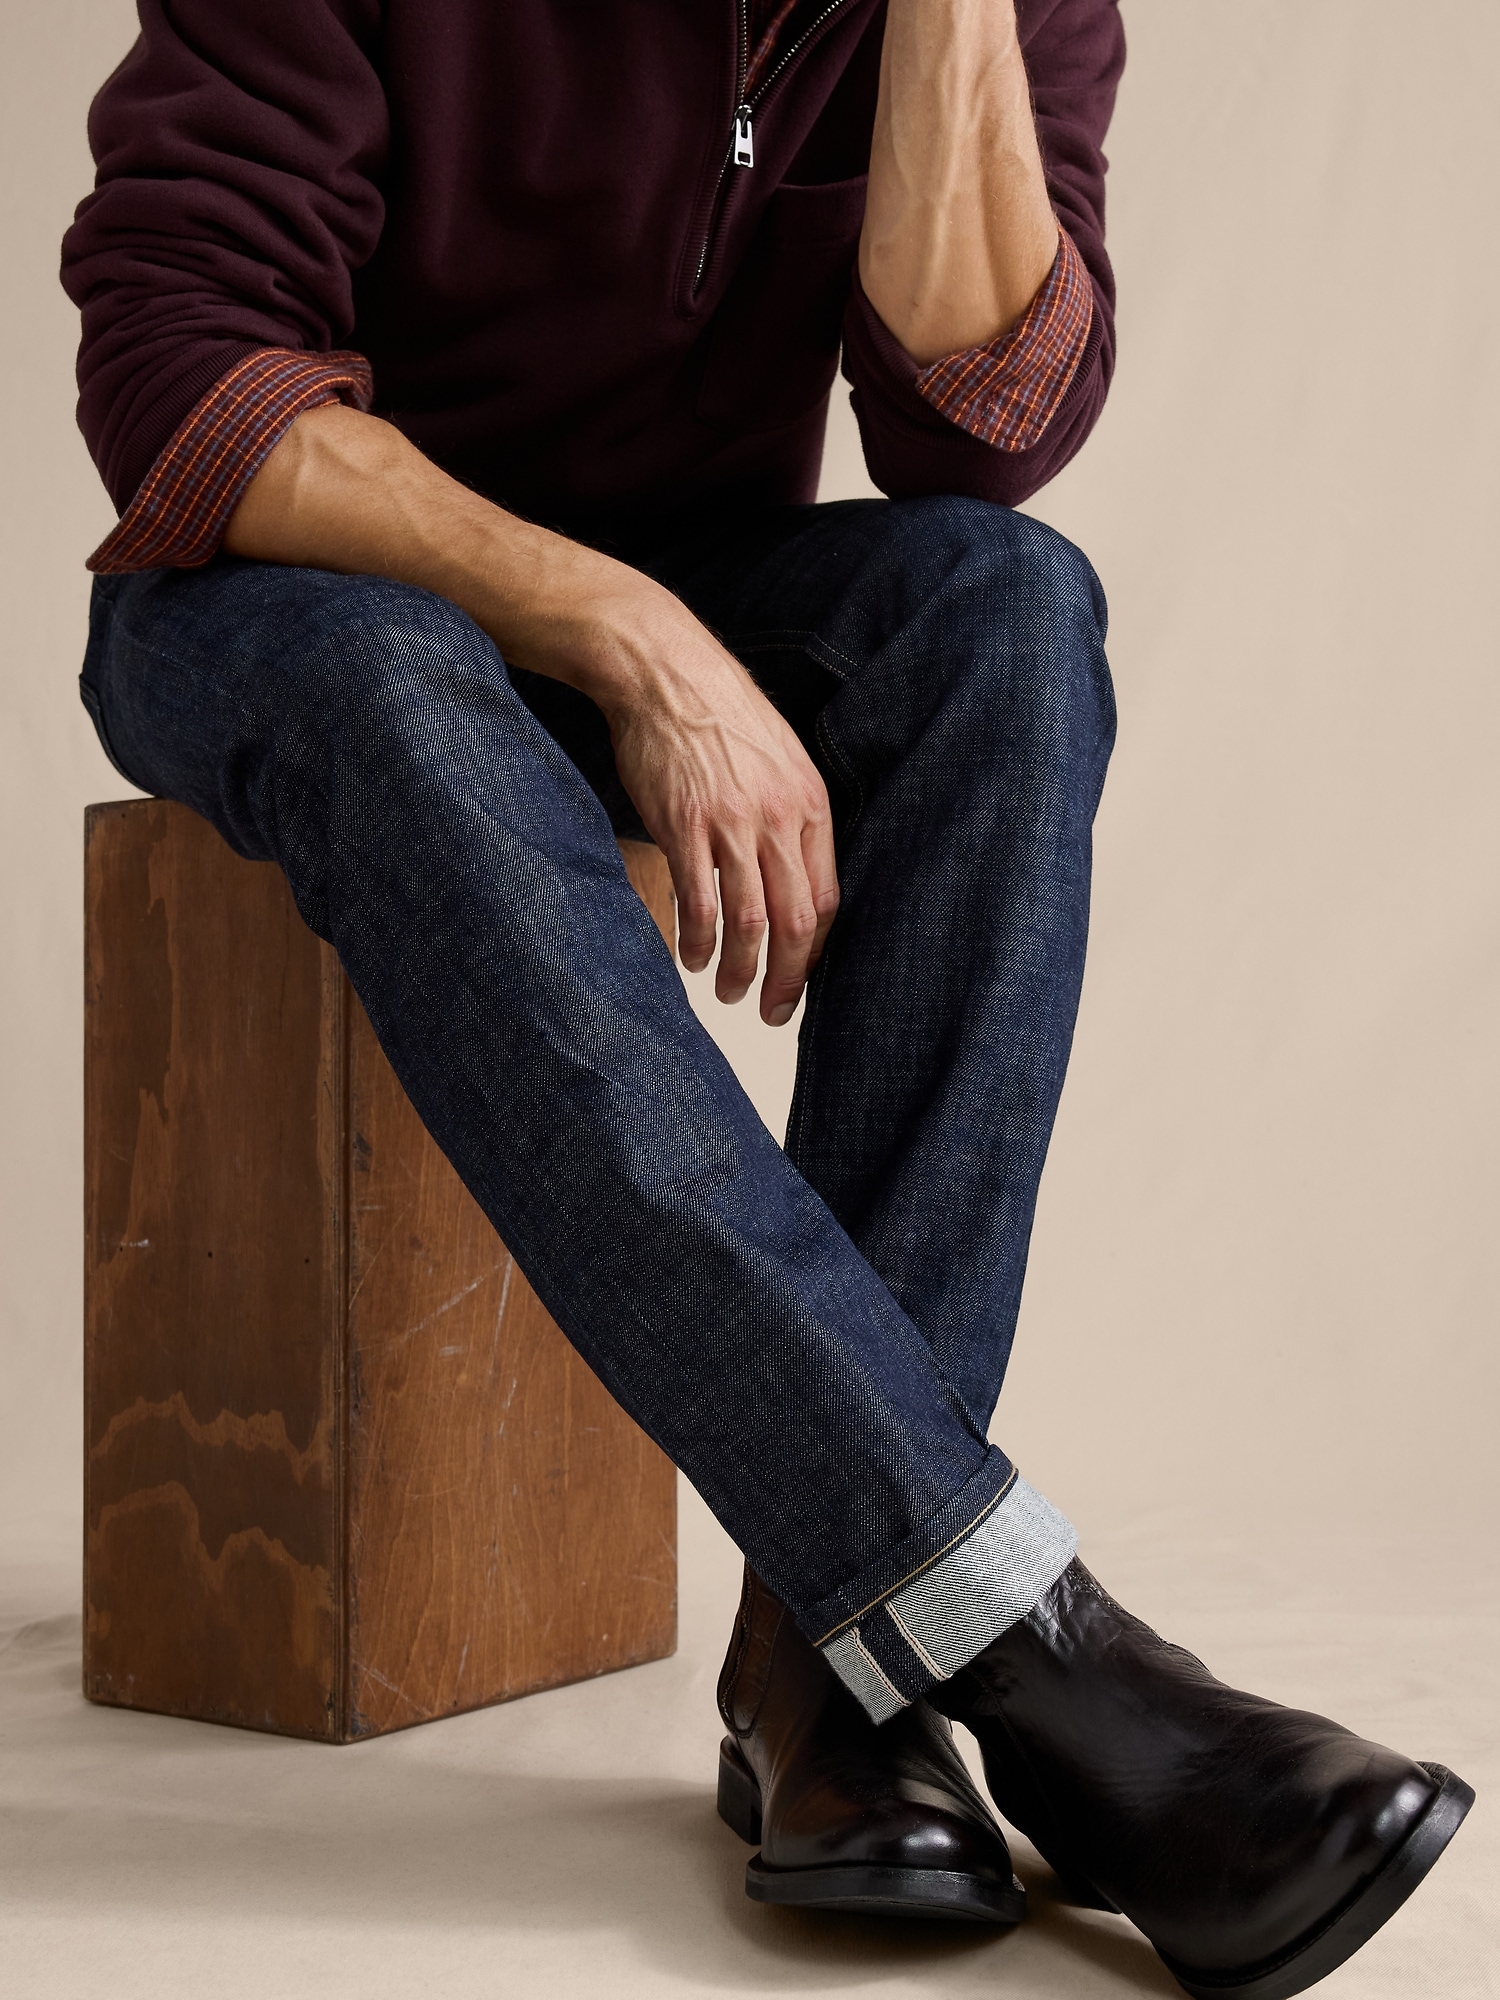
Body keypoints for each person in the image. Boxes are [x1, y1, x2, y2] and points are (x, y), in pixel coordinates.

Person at [61, 0, 1471, 1990]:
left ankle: (828, 1672)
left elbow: (981, 437)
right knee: (399, 685)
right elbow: (183, 376)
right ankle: (1029, 1652)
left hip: (700, 575)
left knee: (1009, 618)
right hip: (288, 598)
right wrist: (623, 629)